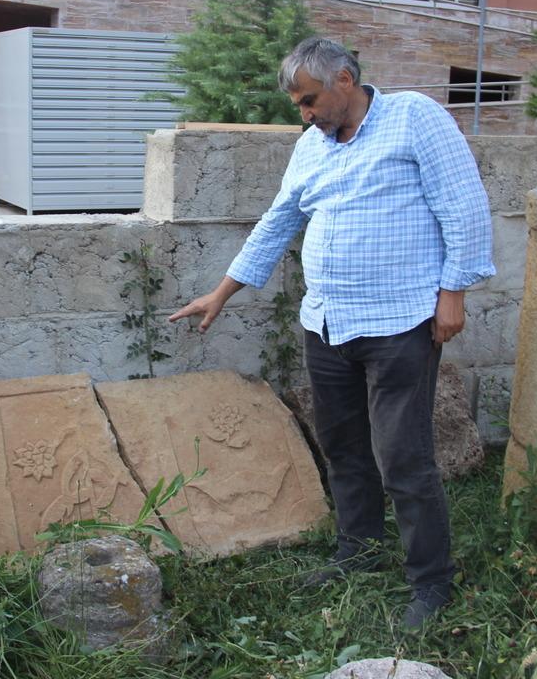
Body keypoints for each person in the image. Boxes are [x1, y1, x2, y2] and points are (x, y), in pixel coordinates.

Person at [168, 36, 495, 631]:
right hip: (327, 323)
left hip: (399, 322)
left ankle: (432, 582)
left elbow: (464, 203)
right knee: (343, 449)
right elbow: (280, 219)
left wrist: (455, 291)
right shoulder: (311, 147)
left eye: (310, 100)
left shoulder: (413, 117)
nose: (305, 114)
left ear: (345, 80)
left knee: (403, 457)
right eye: (299, 105)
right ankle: (361, 553)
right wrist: (223, 290)